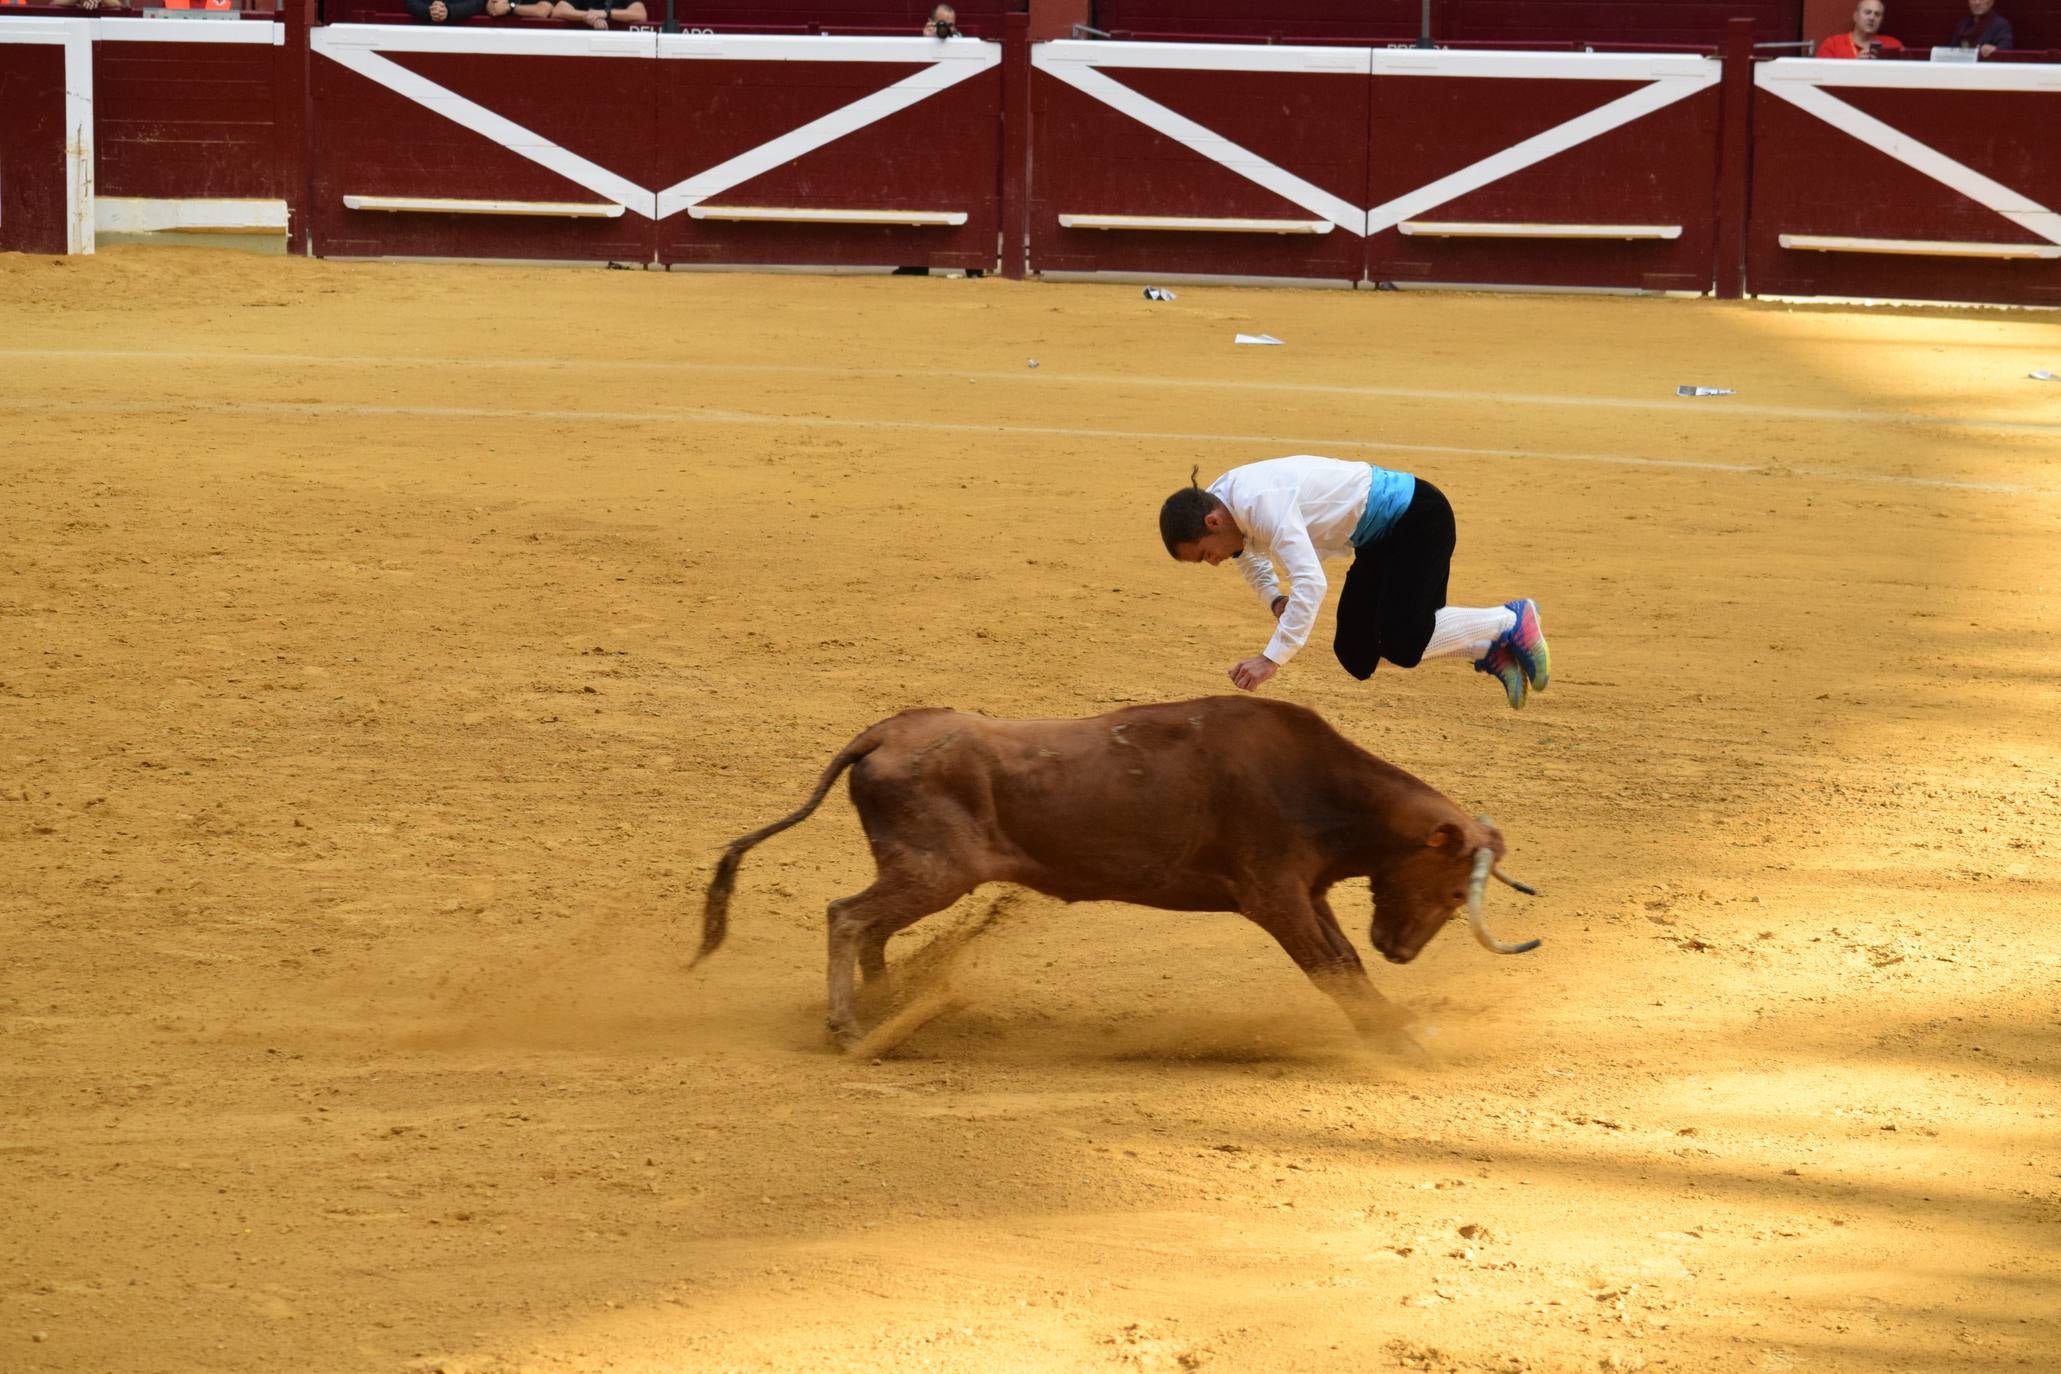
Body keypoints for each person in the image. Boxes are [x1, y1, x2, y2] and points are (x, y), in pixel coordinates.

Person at [1159, 457, 1550, 709]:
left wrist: (1270, 659)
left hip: (1418, 519)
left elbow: (1310, 583)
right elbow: (1245, 554)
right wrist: (1275, 599)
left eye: (1205, 554)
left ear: (1212, 522)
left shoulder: (1261, 503)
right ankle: (1489, 648)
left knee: (1402, 641)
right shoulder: (1222, 503)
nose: (1213, 562)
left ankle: (1511, 620)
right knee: (1355, 653)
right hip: (1377, 540)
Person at [1815, 0, 1905, 57]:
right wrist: (1855, 66)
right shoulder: (1832, 45)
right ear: (1855, 16)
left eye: (1877, 14)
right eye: (1867, 12)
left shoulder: (1894, 45)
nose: (1872, 18)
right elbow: (1822, 76)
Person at [1946, 0, 2013, 56]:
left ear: (1991, 2)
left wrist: (1994, 49)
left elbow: (2007, 47)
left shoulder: (2000, 24)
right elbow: (1951, 50)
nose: (1977, 3)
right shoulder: (1963, 24)